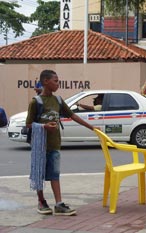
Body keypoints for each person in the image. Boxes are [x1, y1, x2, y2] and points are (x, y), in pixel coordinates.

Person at [26, 70, 96, 216]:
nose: (58, 84)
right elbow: (29, 124)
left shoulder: (58, 100)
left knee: (55, 174)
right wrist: (44, 126)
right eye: (55, 81)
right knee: (39, 173)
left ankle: (59, 204)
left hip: (55, 144)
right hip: (40, 145)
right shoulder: (36, 102)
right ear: (46, 81)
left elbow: (72, 115)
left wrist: (91, 127)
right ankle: (41, 201)